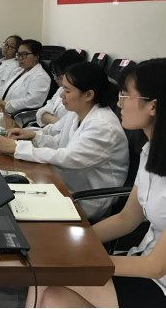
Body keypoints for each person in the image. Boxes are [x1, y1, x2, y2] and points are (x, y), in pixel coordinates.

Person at [26, 59, 166, 309]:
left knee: (50, 282)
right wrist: (75, 243)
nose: (119, 103)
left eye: (125, 96)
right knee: (48, 285)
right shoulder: (150, 152)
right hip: (142, 261)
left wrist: (78, 258)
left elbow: (155, 266)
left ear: (153, 105)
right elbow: (126, 219)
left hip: (158, 280)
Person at [0, 62, 129, 222]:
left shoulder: (103, 125)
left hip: (85, 198)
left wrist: (17, 148)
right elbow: (58, 141)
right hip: (65, 182)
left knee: (14, 208)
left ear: (88, 95)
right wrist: (33, 136)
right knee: (5, 194)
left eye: (67, 91)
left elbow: (68, 157)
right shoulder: (78, 113)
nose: (61, 95)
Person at [0, 39, 51, 115]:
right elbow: (3, 87)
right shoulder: (17, 71)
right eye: (19, 54)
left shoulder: (41, 77)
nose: (20, 58)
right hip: (1, 110)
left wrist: (7, 105)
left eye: (24, 54)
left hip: (17, 117)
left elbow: (32, 101)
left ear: (36, 56)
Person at [35, 49, 84, 127]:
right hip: (50, 130)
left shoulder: (79, 96)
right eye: (53, 74)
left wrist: (50, 119)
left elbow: (68, 126)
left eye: (57, 75)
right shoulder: (61, 89)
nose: (55, 79)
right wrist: (55, 120)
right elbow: (43, 112)